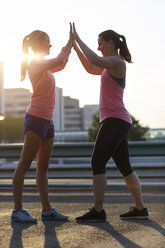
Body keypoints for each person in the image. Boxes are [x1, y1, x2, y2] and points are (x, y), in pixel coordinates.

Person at [72, 23, 149, 221]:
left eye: (100, 43)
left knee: (97, 161)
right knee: (124, 165)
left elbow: (95, 59)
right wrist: (75, 46)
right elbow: (91, 67)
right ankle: (140, 209)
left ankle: (98, 211)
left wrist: (79, 39)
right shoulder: (108, 66)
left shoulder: (117, 62)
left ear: (110, 42)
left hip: (115, 120)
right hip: (117, 121)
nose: (98, 47)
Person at [11, 24, 73, 223]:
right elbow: (60, 59)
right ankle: (17, 211)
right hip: (36, 119)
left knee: (43, 168)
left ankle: (46, 210)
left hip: (48, 120)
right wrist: (70, 43)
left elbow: (61, 64)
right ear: (39, 44)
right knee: (24, 164)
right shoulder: (35, 64)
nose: (51, 45)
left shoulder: (44, 64)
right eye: (47, 42)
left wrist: (69, 47)